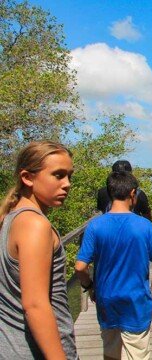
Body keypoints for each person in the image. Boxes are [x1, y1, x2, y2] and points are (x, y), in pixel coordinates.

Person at [75, 170, 152, 360]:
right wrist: (151, 292)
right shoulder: (144, 225)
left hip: (107, 301)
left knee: (111, 353)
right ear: (133, 193)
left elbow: (79, 267)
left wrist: (90, 287)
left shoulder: (95, 226)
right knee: (137, 354)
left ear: (109, 193)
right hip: (137, 302)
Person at [0, 141, 78, 359]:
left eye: (69, 176)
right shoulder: (35, 225)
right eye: (58, 175)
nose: (67, 184)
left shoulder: (11, 218)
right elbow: (35, 305)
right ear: (27, 177)